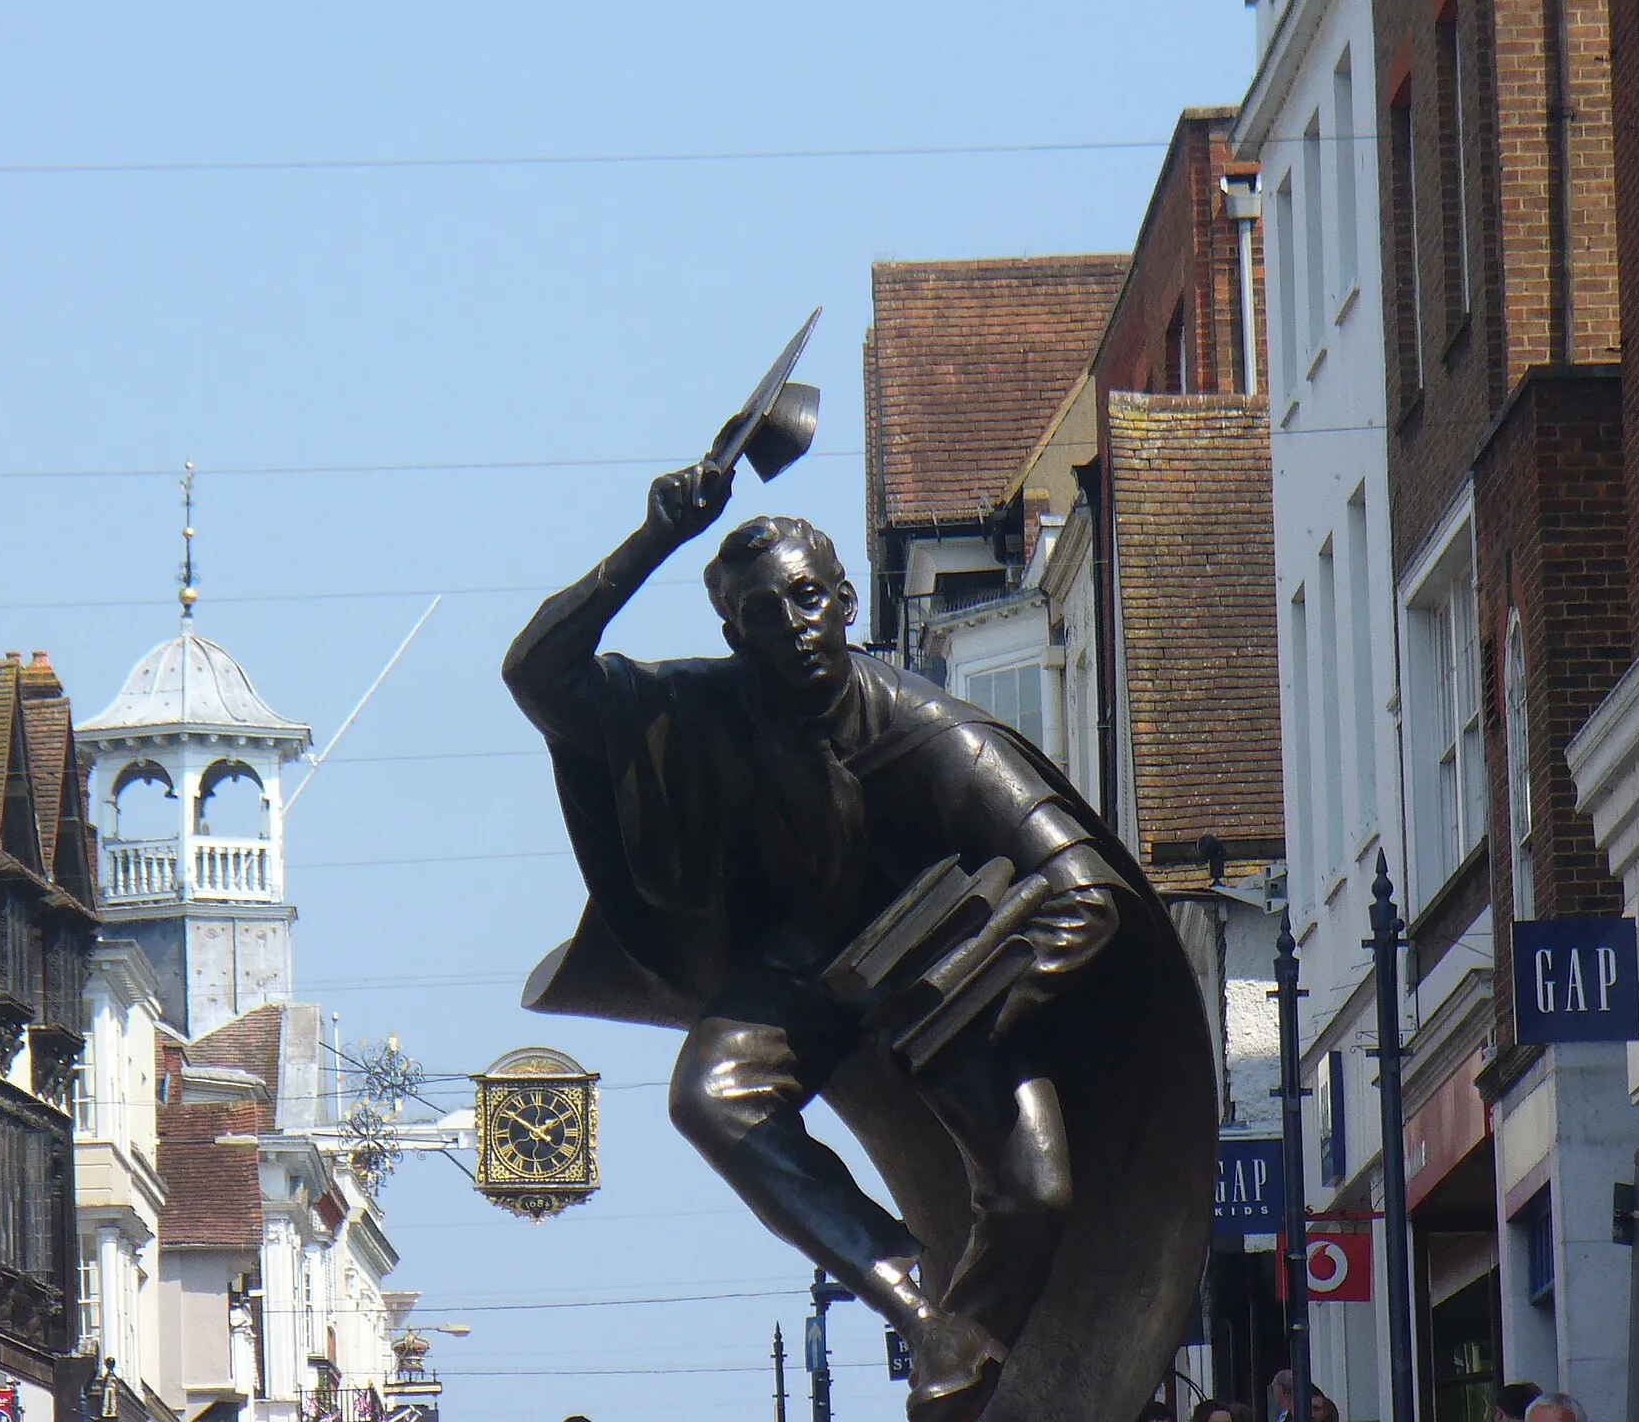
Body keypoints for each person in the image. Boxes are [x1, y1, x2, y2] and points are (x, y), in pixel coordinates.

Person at [505, 470, 1216, 1422]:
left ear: (843, 602)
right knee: (709, 1099)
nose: (792, 623)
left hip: (945, 980)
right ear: (734, 635)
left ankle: (968, 1371)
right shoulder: (700, 709)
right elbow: (536, 674)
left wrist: (968, 1013)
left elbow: (1086, 895)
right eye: (763, 611)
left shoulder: (940, 740)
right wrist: (653, 539)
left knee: (1038, 1193)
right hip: (797, 972)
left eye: (808, 597)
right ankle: (927, 1315)